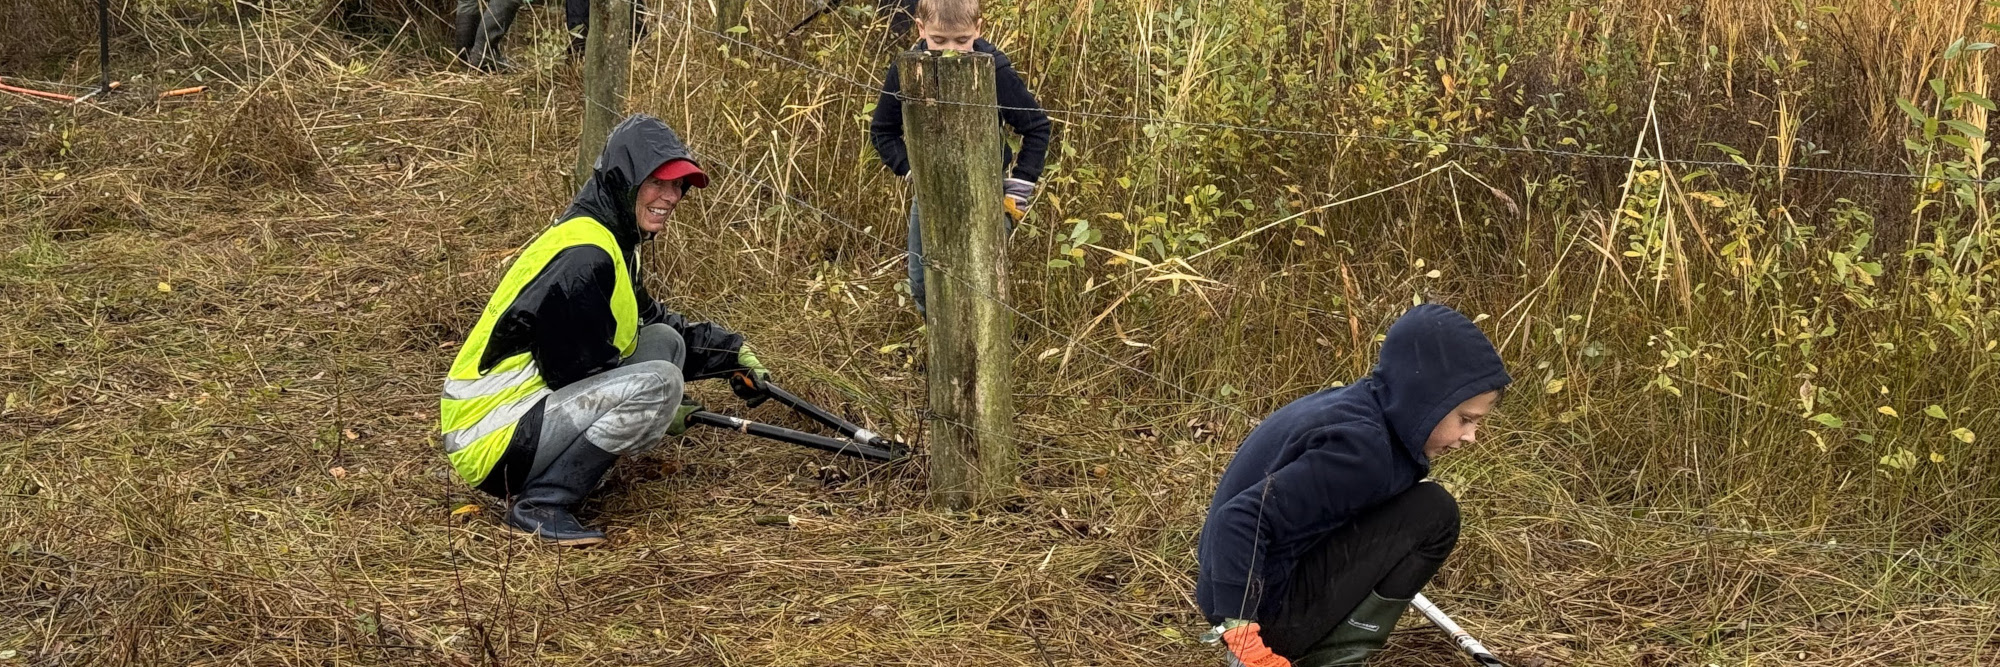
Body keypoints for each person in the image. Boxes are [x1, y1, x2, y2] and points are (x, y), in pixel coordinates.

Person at [438, 114, 771, 546]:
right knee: (660, 382)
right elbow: (579, 373)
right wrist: (663, 405)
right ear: (624, 180)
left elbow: (650, 322)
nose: (670, 197)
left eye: (677, 187)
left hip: (526, 417)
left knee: (664, 345)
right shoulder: (583, 257)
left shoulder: (613, 239)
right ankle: (541, 503)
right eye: (657, 183)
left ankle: (564, 475)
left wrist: (731, 355)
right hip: (490, 439)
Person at [1196, 304, 1512, 666]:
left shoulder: (1359, 405)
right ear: (1426, 399)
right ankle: (1331, 659)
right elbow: (1238, 519)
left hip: (1232, 584)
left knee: (1411, 502)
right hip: (1263, 610)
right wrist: (1243, 635)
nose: (1471, 436)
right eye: (1466, 419)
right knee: (1435, 513)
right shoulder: (1365, 453)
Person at [868, 0, 1051, 314]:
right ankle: (941, 351)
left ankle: (978, 358)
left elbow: (1037, 127)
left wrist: (1016, 194)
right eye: (938, 41)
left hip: (985, 192)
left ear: (977, 29)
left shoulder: (994, 69)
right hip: (928, 193)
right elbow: (882, 130)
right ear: (920, 28)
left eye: (962, 40)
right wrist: (914, 172)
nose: (949, 50)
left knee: (976, 283)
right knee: (923, 283)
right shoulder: (907, 69)